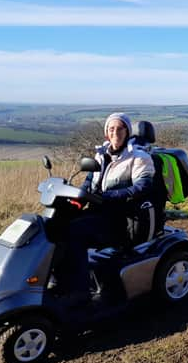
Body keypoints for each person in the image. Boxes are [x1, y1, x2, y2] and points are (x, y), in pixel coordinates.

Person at [60, 112, 156, 303]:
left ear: (127, 132)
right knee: (58, 226)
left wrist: (108, 197)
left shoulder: (139, 157)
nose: (115, 132)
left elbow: (143, 187)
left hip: (122, 219)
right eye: (111, 129)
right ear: (106, 133)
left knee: (74, 234)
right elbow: (90, 181)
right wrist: (79, 198)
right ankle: (62, 280)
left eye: (120, 128)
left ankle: (79, 293)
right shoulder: (101, 155)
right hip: (101, 212)